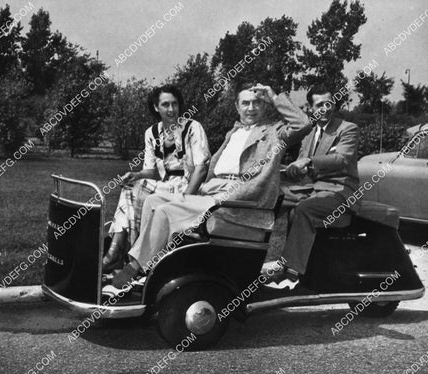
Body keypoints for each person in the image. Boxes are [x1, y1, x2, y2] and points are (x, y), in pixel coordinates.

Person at [104, 82, 313, 294]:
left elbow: (303, 124)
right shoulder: (234, 132)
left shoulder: (273, 132)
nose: (251, 108)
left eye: (257, 102)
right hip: (212, 192)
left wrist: (274, 95)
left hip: (239, 201)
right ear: (236, 106)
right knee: (153, 201)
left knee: (166, 211)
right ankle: (150, 268)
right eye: (245, 103)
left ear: (266, 105)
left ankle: (134, 269)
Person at [102, 85, 211, 272]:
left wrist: (186, 199)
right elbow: (151, 171)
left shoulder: (192, 128)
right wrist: (136, 175)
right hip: (165, 186)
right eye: (165, 104)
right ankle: (116, 250)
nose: (171, 110)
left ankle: (122, 255)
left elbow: (201, 169)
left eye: (175, 104)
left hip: (189, 188)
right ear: (156, 107)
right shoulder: (151, 133)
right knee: (131, 188)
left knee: (143, 197)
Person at [263, 84, 359, 290]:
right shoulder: (309, 133)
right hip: (311, 189)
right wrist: (291, 169)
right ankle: (265, 263)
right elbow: (300, 165)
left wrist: (308, 162)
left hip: (339, 192)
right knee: (271, 199)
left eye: (328, 103)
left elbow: (341, 159)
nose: (324, 109)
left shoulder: (347, 129)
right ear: (311, 109)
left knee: (304, 209)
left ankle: (291, 272)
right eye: (319, 105)